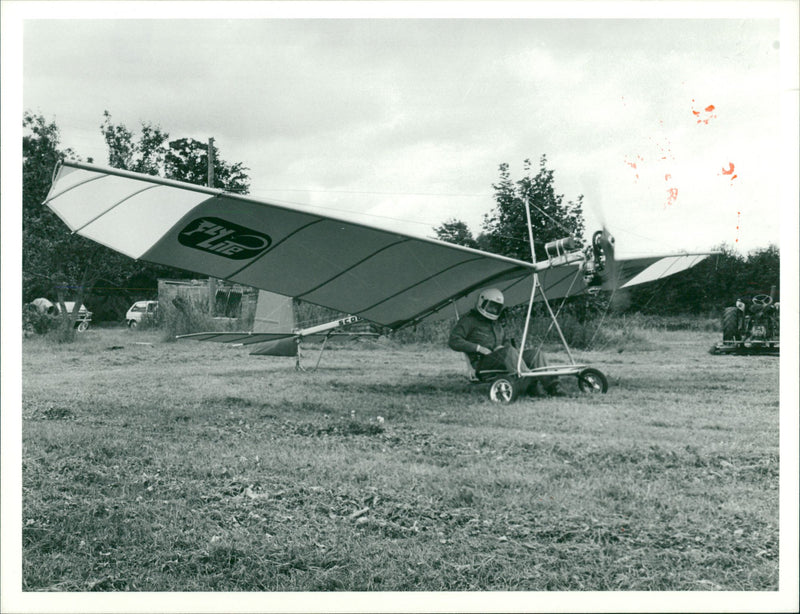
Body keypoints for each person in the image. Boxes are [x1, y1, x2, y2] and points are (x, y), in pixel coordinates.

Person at [448, 288, 561, 396]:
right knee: (509, 352)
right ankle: (529, 385)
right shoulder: (469, 320)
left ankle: (553, 387)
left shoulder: (496, 324)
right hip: (482, 363)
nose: (492, 310)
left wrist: (502, 347)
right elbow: (454, 340)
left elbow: (506, 342)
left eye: (496, 308)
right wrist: (478, 348)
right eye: (490, 306)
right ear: (482, 302)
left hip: (502, 357)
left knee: (535, 354)